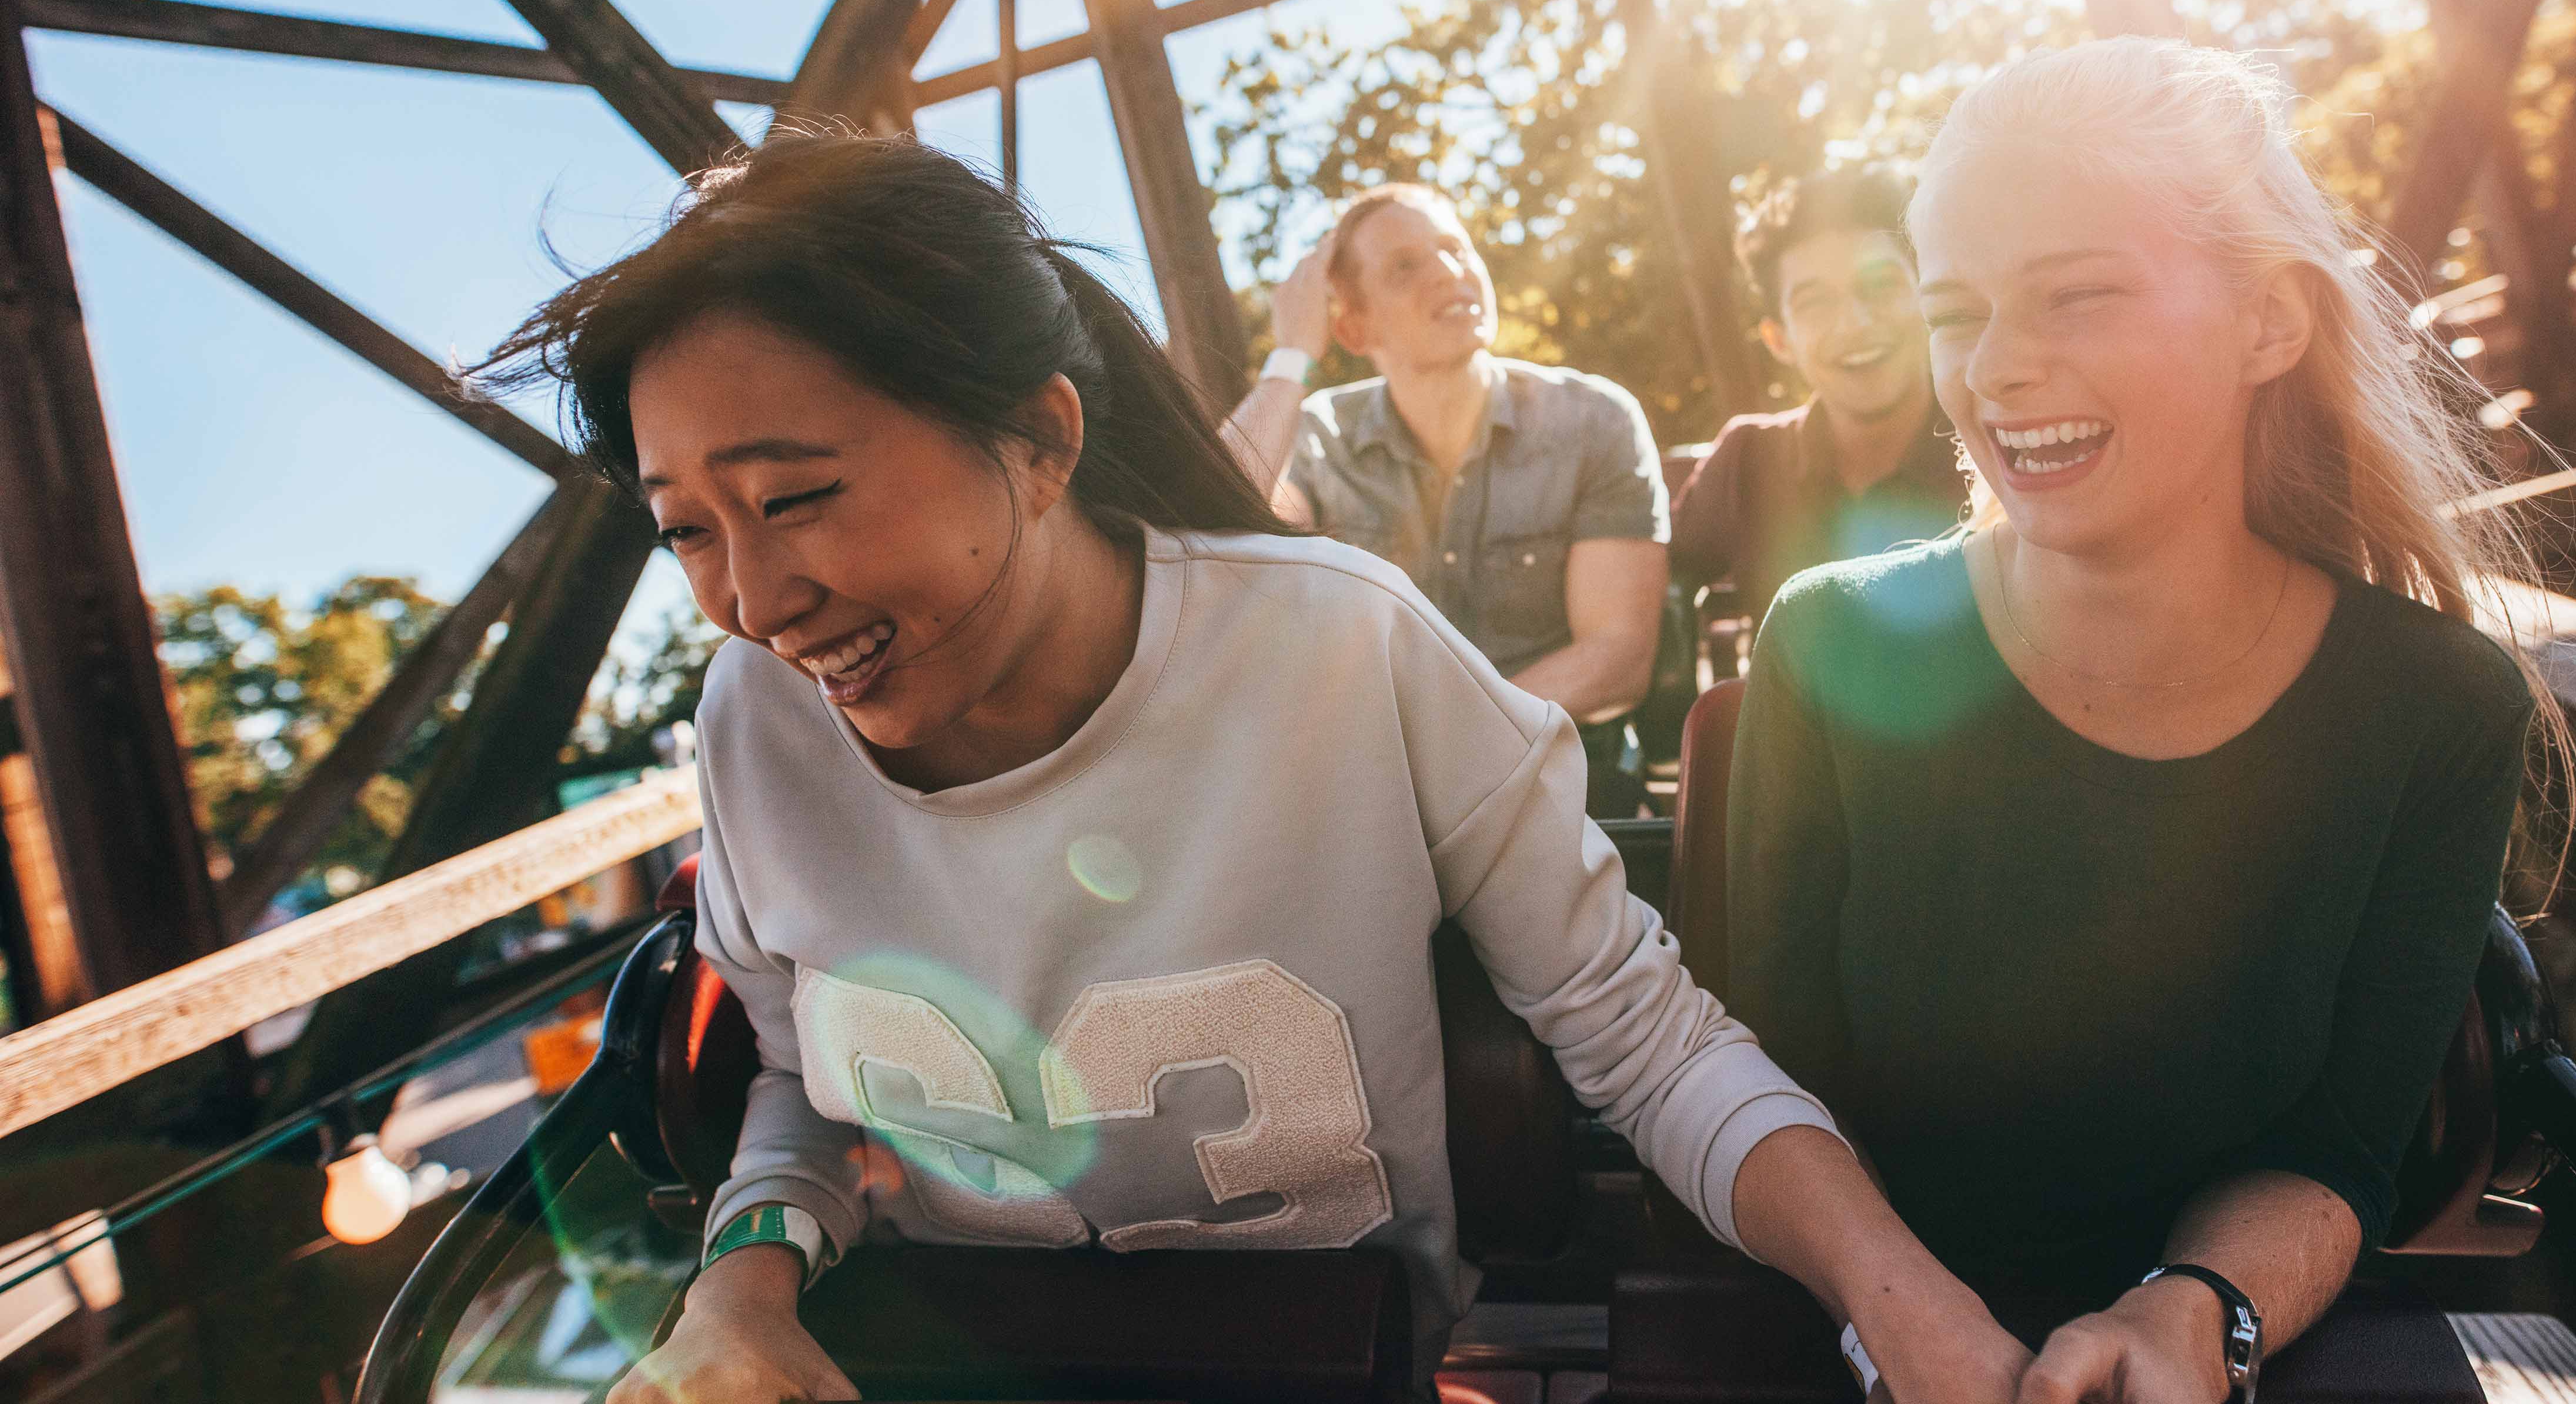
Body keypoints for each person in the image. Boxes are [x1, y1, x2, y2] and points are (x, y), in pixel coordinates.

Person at [476, 135, 1906, 1404]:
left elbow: (1646, 1046)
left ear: (1039, 439)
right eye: (688, 531)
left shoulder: (1342, 647)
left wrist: (1912, 1316)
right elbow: (800, 1079)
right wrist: (745, 1276)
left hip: (1326, 1358)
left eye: (796, 498)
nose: (752, 599)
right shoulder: (754, 718)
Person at [1726, 39, 2570, 1404]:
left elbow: (2342, 1140)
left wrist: (2195, 1311)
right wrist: (1904, 1315)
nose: (1995, 368)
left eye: (2073, 296)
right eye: (1957, 311)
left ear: (2266, 323)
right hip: (1855, 1325)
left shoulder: (2437, 706)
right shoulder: (1825, 644)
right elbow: (1768, 1083)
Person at [1220, 184, 1668, 813]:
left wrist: (1445, 743)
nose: (1448, 272)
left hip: (1563, 782)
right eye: (1405, 267)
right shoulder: (1318, 436)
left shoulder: (1593, 418)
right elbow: (1209, 534)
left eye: (1456, 249)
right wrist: (1290, 356)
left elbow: (1617, 655)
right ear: (1350, 325)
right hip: (1378, 801)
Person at [1672, 168, 1966, 626]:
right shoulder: (1747, 460)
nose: (1855, 324)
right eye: (1815, 303)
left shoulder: (1997, 445)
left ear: (1928, 297)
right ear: (1779, 340)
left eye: (1881, 286)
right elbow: (1654, 584)